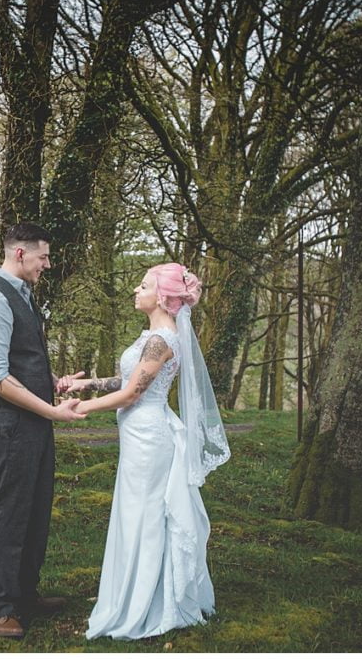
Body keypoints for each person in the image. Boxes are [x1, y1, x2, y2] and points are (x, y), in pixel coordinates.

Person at [60, 262, 230, 640]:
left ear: (162, 297)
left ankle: (146, 601)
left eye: (142, 286)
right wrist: (84, 385)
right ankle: (137, 590)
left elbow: (133, 393)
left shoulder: (161, 339)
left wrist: (80, 409)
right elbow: (128, 379)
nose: (135, 291)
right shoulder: (154, 336)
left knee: (146, 516)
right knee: (136, 513)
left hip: (149, 437)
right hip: (140, 434)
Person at [0, 222, 86, 640]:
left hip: (32, 419)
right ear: (20, 254)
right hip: (10, 424)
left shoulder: (23, 296)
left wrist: (49, 382)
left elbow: (20, 361)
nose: (47, 265)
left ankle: (26, 595)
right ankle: (2, 607)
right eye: (43, 257)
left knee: (36, 510)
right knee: (11, 512)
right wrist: (52, 412)